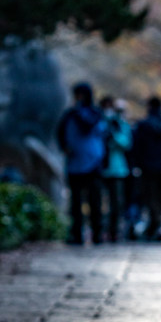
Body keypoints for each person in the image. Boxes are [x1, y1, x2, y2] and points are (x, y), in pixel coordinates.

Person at [57, 82, 108, 245]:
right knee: (76, 203)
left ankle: (97, 234)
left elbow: (88, 126)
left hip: (93, 165)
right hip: (74, 165)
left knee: (95, 202)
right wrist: (65, 147)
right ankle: (76, 234)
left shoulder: (95, 114)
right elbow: (60, 134)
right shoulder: (68, 115)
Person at [129, 96, 161, 240]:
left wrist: (137, 164)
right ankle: (159, 226)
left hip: (146, 168)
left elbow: (135, 147)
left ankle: (155, 225)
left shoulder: (143, 125)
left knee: (149, 197)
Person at [100, 97, 132, 242]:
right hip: (98, 168)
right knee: (99, 201)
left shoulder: (122, 125)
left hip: (117, 170)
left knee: (116, 203)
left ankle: (113, 231)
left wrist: (113, 134)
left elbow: (126, 143)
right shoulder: (100, 122)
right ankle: (100, 230)